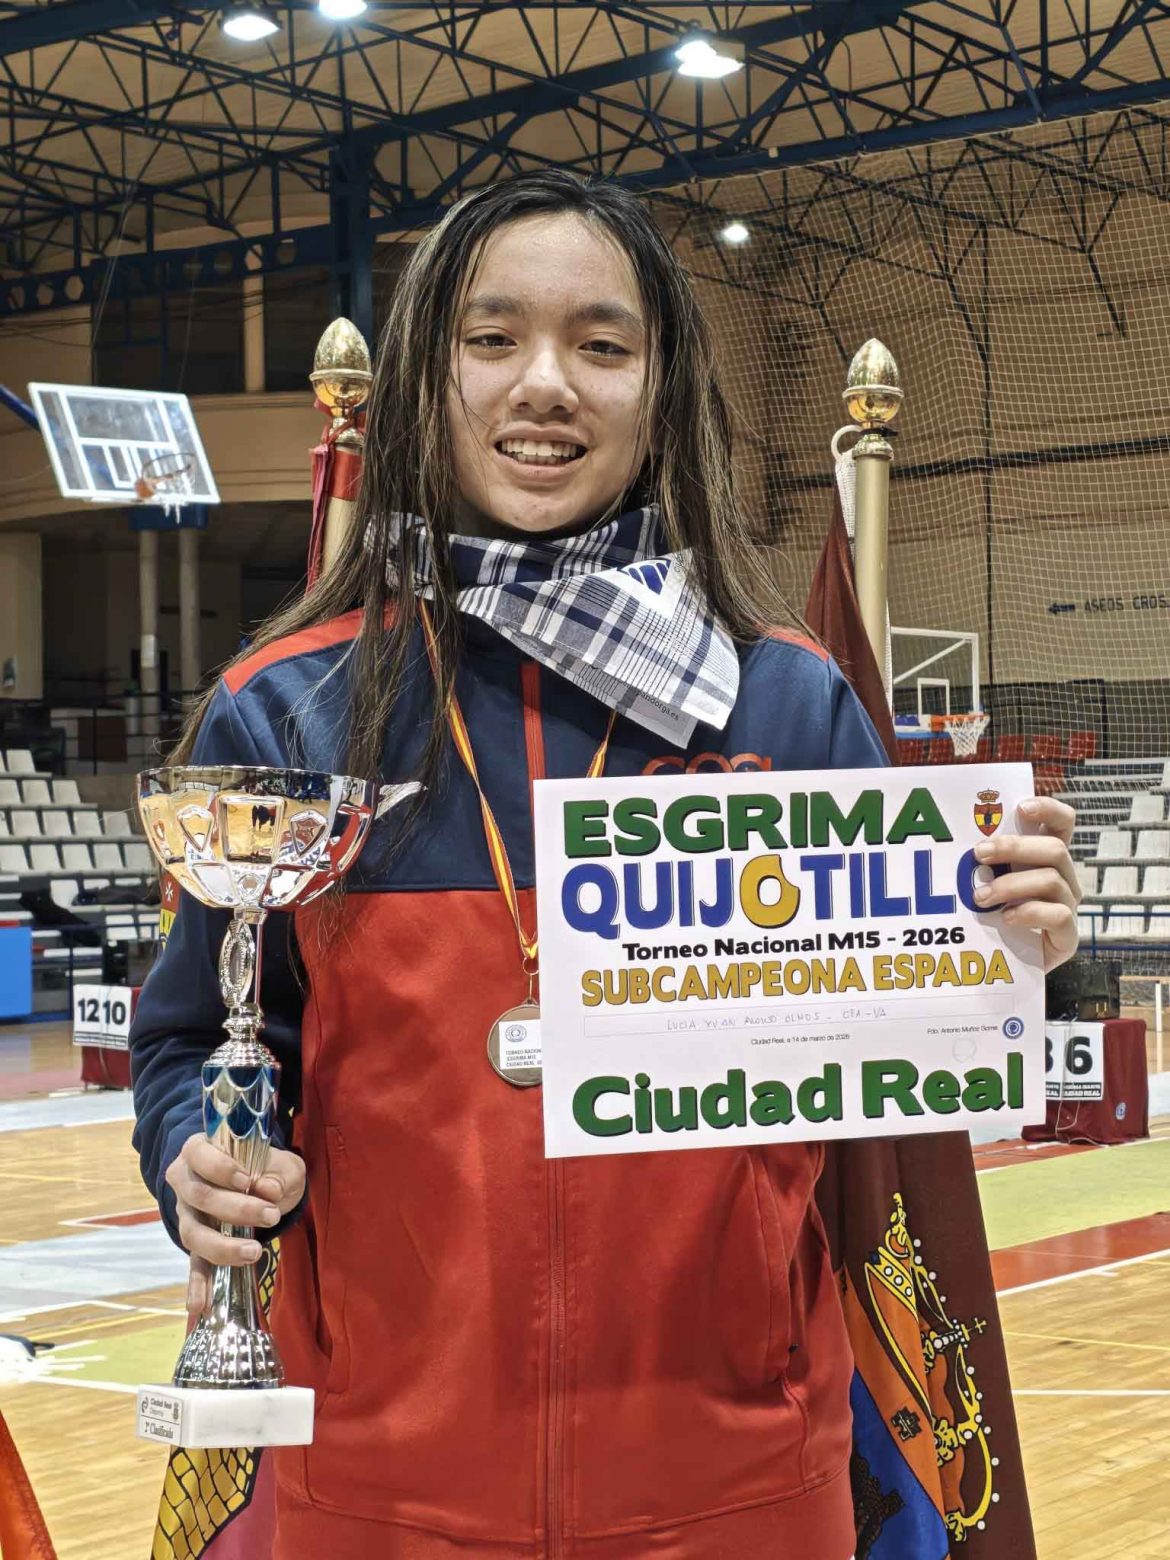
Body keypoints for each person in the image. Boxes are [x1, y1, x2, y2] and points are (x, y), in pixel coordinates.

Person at [130, 170, 1081, 1560]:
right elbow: (197, 1039)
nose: (544, 386)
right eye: (491, 337)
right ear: (422, 378)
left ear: (661, 387)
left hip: (742, 1481)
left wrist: (1008, 947)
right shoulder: (287, 708)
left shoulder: (788, 704)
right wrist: (199, 1156)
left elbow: (895, 1084)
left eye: (601, 344)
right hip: (377, 1485)